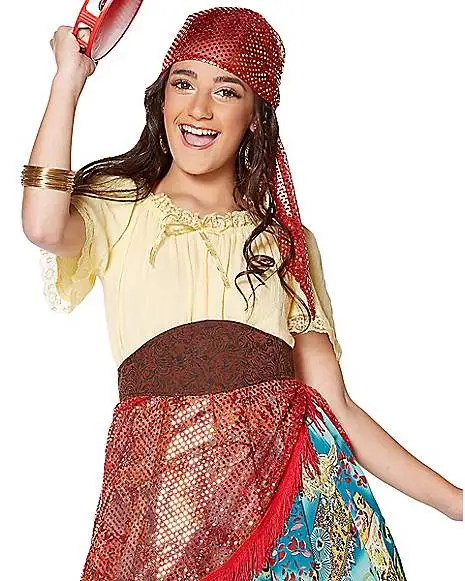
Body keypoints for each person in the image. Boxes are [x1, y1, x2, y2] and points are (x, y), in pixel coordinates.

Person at [22, 7, 462, 581]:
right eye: (183, 84)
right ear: (161, 99)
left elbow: (336, 406)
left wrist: (456, 502)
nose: (199, 109)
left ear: (255, 116)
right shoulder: (120, 204)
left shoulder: (286, 243)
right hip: (165, 496)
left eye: (226, 91)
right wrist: (68, 80)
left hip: (293, 508)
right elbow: (42, 225)